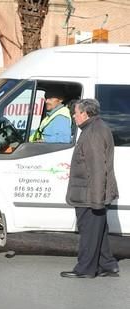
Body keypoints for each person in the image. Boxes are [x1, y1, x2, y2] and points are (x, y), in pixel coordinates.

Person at [61, 99, 119, 278]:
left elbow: (97, 168)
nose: (74, 115)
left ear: (85, 114)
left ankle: (85, 269)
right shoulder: (96, 127)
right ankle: (107, 265)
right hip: (92, 193)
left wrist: (96, 200)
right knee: (98, 231)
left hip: (90, 195)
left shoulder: (92, 133)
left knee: (89, 232)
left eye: (76, 112)